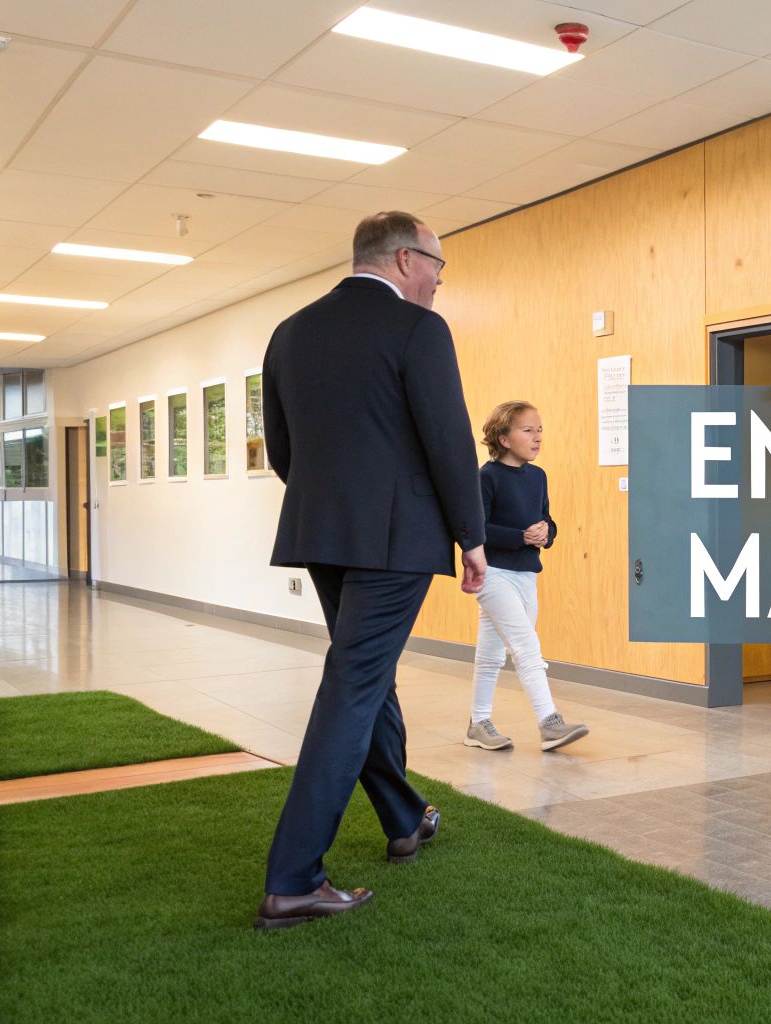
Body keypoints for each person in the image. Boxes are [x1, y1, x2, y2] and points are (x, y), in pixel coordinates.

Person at [255, 211, 487, 929]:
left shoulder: (290, 331)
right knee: (354, 687)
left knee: (365, 675)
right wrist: (470, 537)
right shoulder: (420, 331)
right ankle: (293, 879)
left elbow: (282, 450)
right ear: (405, 259)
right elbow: (449, 439)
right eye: (438, 267)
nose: (441, 282)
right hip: (397, 539)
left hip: (322, 532)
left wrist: (331, 506)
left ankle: (404, 816)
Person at [465, 400, 589, 753]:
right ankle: (549, 722)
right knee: (526, 645)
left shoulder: (538, 476)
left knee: (491, 654)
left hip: (525, 575)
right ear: (503, 438)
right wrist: (520, 535)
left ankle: (477, 723)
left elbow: (548, 520)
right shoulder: (486, 477)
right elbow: (479, 528)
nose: (537, 438)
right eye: (528, 430)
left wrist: (545, 532)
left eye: (540, 430)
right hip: (493, 575)